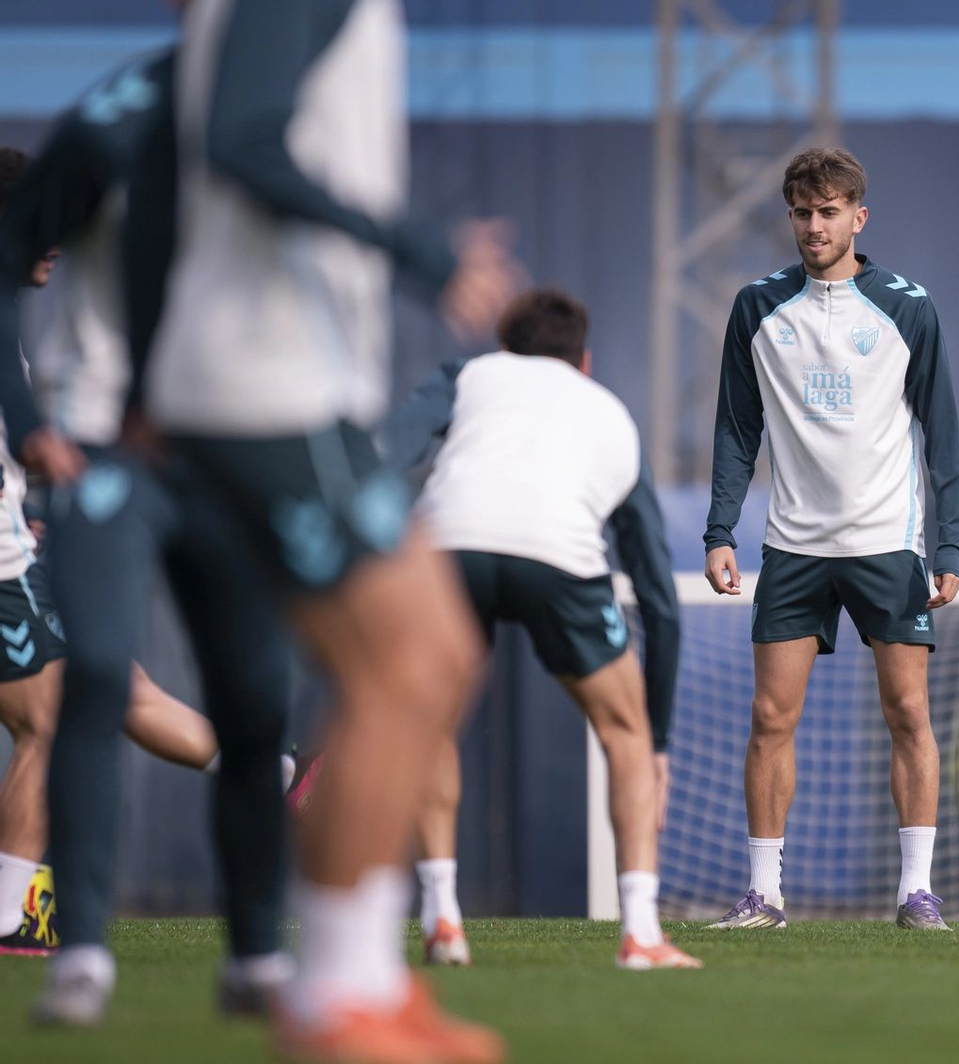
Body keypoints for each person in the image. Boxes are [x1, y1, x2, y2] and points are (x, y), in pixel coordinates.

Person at [144, 0, 519, 1059]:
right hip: (264, 389)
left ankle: (361, 978)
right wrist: (419, 249)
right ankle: (333, 998)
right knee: (408, 660)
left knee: (433, 656)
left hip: (291, 385)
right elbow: (237, 138)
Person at [0, 138, 291, 977]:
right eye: (41, 224)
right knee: (49, 723)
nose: (55, 243)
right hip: (2, 556)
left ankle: (275, 770)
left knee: (109, 682)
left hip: (21, 539)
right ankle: (18, 914)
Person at [384, 288, 699, 970]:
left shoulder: (468, 374)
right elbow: (656, 594)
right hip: (558, 557)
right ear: (582, 361)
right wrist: (660, 744)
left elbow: (386, 453)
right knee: (625, 732)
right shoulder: (611, 413)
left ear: (504, 347)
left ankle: (443, 919)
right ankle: (641, 934)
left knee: (431, 722)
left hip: (449, 546)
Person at [702, 147, 959, 931]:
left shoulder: (907, 306)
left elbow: (942, 436)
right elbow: (734, 428)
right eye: (801, 213)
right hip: (793, 545)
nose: (814, 227)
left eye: (828, 212)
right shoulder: (756, 307)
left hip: (888, 542)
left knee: (908, 714)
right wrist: (721, 530)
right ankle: (764, 896)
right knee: (768, 719)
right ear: (789, 217)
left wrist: (949, 546)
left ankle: (916, 893)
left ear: (859, 216)